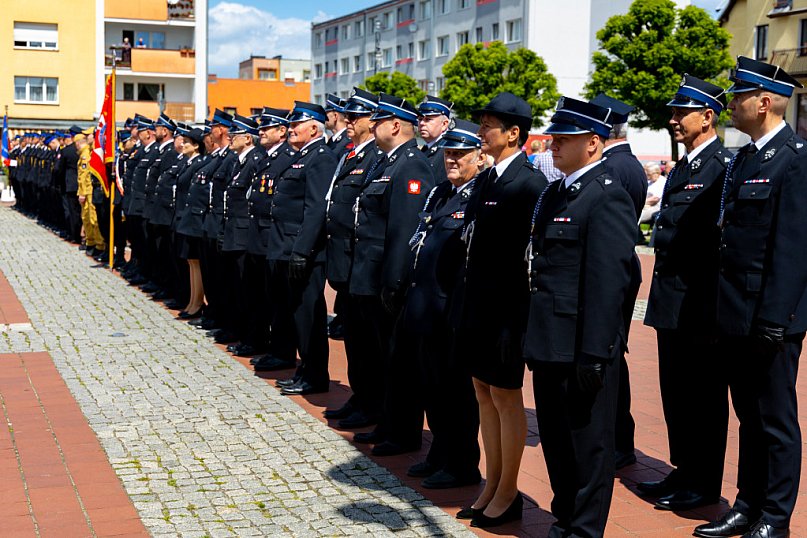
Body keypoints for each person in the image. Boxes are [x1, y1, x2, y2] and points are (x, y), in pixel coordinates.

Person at [694, 56, 807, 538]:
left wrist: (774, 319)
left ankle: (775, 517)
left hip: (770, 316)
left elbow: (794, 247)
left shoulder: (796, 158)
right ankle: (747, 503)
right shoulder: (745, 158)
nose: (731, 104)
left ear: (763, 103)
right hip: (736, 311)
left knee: (775, 420)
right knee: (748, 416)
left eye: (739, 96)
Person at [524, 96, 636, 537]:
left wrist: (595, 353)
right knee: (556, 443)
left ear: (592, 143)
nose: (553, 144)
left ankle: (585, 530)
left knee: (589, 448)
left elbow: (609, 284)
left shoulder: (607, 195)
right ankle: (565, 519)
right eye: (554, 137)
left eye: (563, 139)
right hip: (549, 340)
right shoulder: (557, 192)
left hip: (582, 348)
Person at [640, 75, 733, 512]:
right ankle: (684, 469)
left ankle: (704, 482)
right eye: (674, 112)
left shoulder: (721, 167)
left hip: (700, 304)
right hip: (672, 300)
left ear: (708, 117)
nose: (673, 119)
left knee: (704, 398)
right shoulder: (685, 166)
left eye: (682, 112)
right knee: (676, 393)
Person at [454, 92, 547, 527]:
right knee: (482, 392)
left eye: (488, 125)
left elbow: (529, 254)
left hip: (508, 310)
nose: (480, 131)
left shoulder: (530, 183)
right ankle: (491, 484)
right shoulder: (488, 179)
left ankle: (509, 492)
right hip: (479, 303)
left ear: (513, 133)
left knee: (506, 397)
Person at [348, 93, 435, 454]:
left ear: (396, 125)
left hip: (388, 280)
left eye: (379, 120)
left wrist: (395, 282)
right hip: (371, 275)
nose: (372, 126)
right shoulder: (387, 163)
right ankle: (387, 423)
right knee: (383, 358)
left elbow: (403, 232)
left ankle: (403, 432)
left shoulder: (411, 165)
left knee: (399, 361)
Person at [402, 119, 484, 489]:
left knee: (457, 395)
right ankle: (440, 452)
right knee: (432, 389)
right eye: (449, 153)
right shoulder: (440, 192)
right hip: (426, 308)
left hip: (452, 311)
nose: (452, 159)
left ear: (479, 157)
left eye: (461, 154)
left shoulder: (478, 195)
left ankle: (462, 464)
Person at [590, 93, 648, 470]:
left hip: (615, 268)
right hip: (622, 264)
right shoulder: (627, 163)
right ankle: (616, 437)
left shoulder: (615, 166)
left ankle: (618, 440)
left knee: (609, 358)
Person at [320, 88, 384, 427]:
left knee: (366, 341)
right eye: (348, 115)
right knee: (355, 340)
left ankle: (370, 402)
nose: (348, 120)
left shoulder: (374, 156)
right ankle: (360, 396)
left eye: (355, 116)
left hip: (360, 262)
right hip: (344, 261)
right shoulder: (351, 155)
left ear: (371, 121)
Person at [265, 102, 337, 395]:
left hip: (304, 252)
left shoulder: (321, 158)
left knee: (309, 316)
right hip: (287, 246)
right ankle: (305, 370)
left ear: (314, 129)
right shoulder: (303, 155)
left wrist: (302, 250)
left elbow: (316, 209)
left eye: (297, 125)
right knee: (296, 313)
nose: (291, 129)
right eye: (291, 125)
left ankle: (315, 375)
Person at [417, 94, 453, 183]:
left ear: (444, 124)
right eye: (420, 119)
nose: (421, 123)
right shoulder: (425, 149)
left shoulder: (447, 151)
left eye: (428, 119)